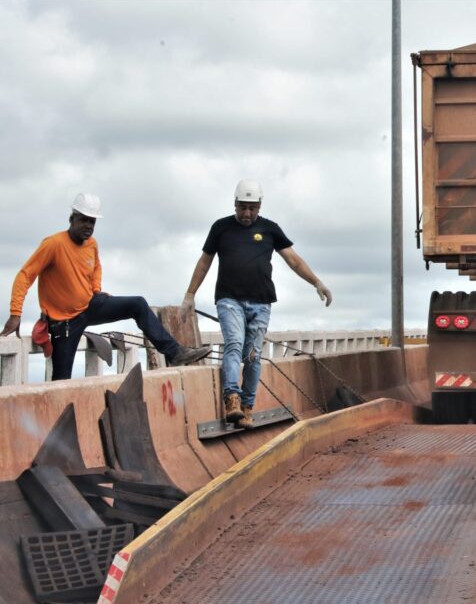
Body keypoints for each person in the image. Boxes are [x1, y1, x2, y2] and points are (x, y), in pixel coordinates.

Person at [1, 194, 211, 380]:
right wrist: (16, 313)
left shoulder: (92, 243)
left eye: (92, 222)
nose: (88, 226)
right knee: (61, 381)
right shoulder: (53, 244)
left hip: (89, 305)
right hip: (64, 322)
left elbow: (96, 267)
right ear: (72, 219)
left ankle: (175, 353)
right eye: (83, 220)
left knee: (137, 303)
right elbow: (25, 275)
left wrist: (96, 290)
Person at [182, 180, 332, 429]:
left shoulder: (270, 229)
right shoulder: (221, 228)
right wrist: (190, 295)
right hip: (229, 299)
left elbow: (293, 260)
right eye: (242, 207)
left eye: (252, 208)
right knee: (234, 343)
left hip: (261, 303)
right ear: (234, 204)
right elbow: (204, 262)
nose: (247, 213)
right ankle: (232, 399)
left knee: (252, 356)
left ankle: (247, 408)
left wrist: (316, 282)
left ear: (260, 206)